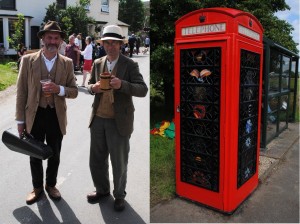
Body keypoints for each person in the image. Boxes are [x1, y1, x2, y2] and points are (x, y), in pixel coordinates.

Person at [15, 21, 78, 205]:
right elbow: (21, 93)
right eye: (49, 37)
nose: (52, 40)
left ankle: (51, 184)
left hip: (56, 115)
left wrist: (58, 89)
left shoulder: (67, 63)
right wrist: (20, 121)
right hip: (34, 115)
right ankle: (37, 188)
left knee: (55, 153)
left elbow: (73, 91)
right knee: (34, 153)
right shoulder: (27, 60)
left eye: (56, 38)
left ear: (60, 41)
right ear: (42, 38)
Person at [86, 25, 148, 211]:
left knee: (119, 161)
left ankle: (119, 195)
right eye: (107, 43)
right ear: (103, 44)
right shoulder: (98, 63)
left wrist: (122, 84)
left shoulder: (130, 65)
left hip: (118, 121)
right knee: (96, 160)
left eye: (115, 43)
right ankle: (102, 190)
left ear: (121, 45)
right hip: (98, 118)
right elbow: (89, 85)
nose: (110, 46)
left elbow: (142, 90)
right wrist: (93, 88)